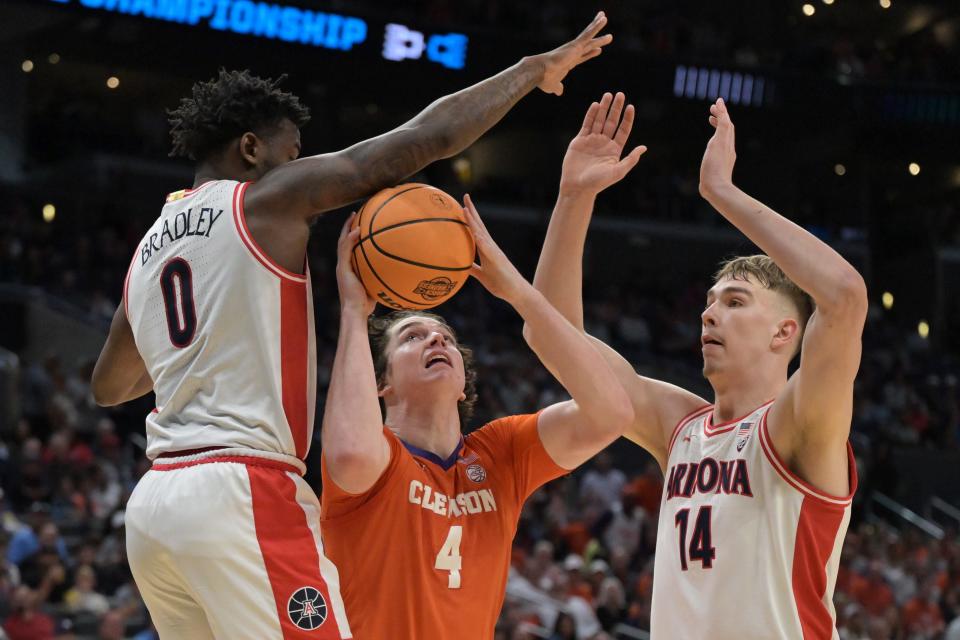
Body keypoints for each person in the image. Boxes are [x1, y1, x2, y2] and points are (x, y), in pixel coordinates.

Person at [89, 13, 615, 639]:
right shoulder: (262, 200)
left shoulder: (150, 247)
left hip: (156, 506)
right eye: (292, 154)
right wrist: (531, 71)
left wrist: (206, 343)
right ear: (251, 149)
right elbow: (424, 139)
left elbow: (112, 386)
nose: (300, 166)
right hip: (241, 487)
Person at [530, 93, 866, 639]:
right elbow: (554, 334)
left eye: (734, 301)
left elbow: (846, 297)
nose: (710, 313)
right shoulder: (679, 426)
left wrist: (721, 192)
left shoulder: (798, 426)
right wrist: (573, 197)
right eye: (710, 302)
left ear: (786, 332)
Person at [319, 195, 634, 639]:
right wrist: (354, 310)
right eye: (413, 337)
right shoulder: (377, 459)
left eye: (445, 337)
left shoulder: (500, 452)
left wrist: (517, 291)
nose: (436, 341)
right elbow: (350, 453)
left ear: (464, 382)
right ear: (380, 384)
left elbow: (611, 413)